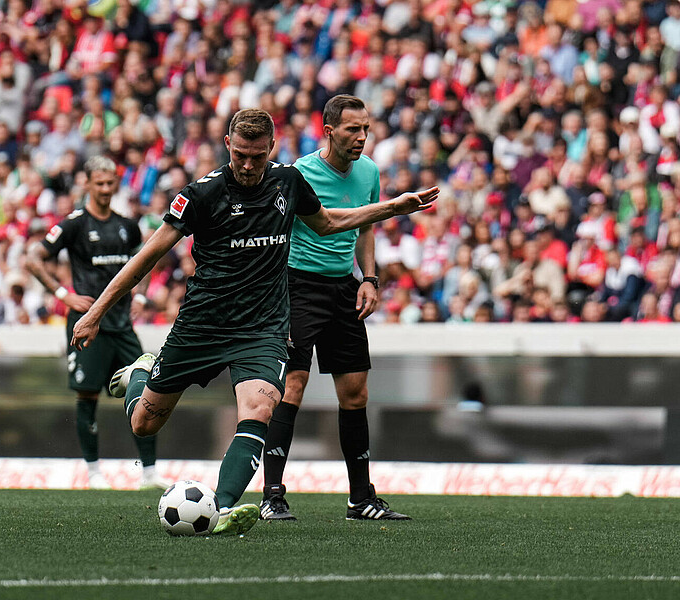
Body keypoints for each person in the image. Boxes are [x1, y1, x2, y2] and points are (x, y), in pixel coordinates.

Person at [71, 109, 437, 535]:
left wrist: (392, 208)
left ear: (272, 148)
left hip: (262, 328)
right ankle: (141, 372)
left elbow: (328, 223)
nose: (247, 165)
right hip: (202, 325)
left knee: (260, 408)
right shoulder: (201, 194)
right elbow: (147, 257)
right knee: (144, 423)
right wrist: (95, 312)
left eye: (257, 156)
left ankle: (220, 509)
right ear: (228, 144)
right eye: (240, 155)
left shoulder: (288, 182)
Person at [260, 95, 410, 522]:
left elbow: (365, 228)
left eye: (366, 129)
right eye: (352, 129)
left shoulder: (370, 172)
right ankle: (272, 496)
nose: (361, 137)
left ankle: (360, 499)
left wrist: (369, 278)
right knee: (292, 385)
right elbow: (281, 232)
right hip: (297, 285)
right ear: (329, 131)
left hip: (343, 287)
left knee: (356, 391)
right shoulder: (299, 173)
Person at [27, 155, 166, 490]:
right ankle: (93, 474)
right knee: (87, 396)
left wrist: (141, 297)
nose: (105, 189)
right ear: (87, 184)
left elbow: (146, 260)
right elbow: (33, 258)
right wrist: (64, 295)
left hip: (122, 325)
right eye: (99, 183)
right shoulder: (74, 224)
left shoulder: (127, 225)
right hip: (88, 323)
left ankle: (149, 474)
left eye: (110, 183)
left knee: (148, 390)